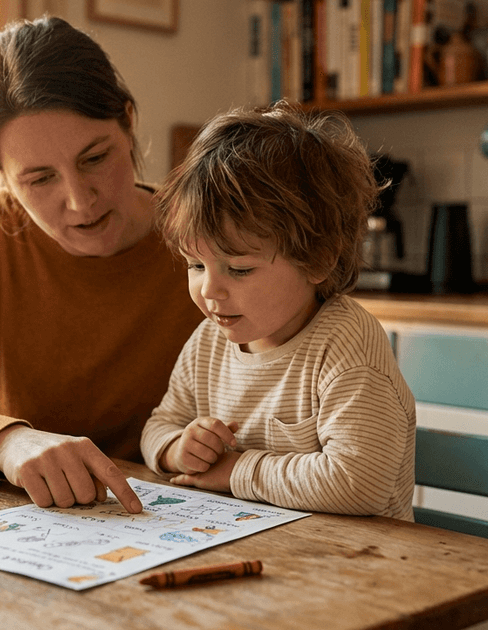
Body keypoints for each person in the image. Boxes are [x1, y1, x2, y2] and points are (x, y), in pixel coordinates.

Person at [0, 16, 204, 514]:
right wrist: (8, 443)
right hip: (19, 522)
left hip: (174, 518)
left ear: (128, 124)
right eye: (40, 179)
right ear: (0, 175)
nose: (79, 201)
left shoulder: (205, 237)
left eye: (94, 159)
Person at [140, 101, 416, 520]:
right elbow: (158, 426)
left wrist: (236, 471)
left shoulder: (346, 348)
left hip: (359, 569)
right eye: (196, 265)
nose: (209, 289)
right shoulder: (208, 343)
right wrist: (177, 449)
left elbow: (361, 484)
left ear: (319, 259)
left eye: (239, 268)